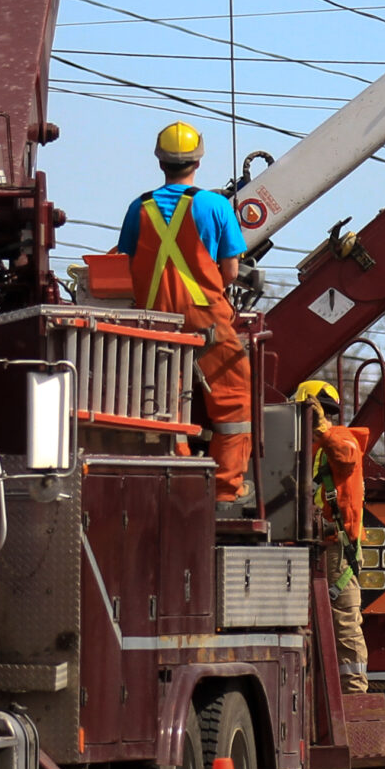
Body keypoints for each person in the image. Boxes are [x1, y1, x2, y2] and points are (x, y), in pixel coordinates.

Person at [116, 122, 255, 502]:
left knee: (163, 402)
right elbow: (229, 272)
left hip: (154, 322)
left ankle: (171, 478)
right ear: (198, 159)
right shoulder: (215, 205)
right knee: (232, 400)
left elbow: (125, 263)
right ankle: (226, 489)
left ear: (161, 161)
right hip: (205, 319)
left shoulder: (138, 208)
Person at [293, 380, 370, 695]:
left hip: (337, 550)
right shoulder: (308, 448)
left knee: (344, 624)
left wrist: (323, 427)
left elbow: (347, 456)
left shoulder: (338, 437)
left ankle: (353, 693)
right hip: (315, 547)